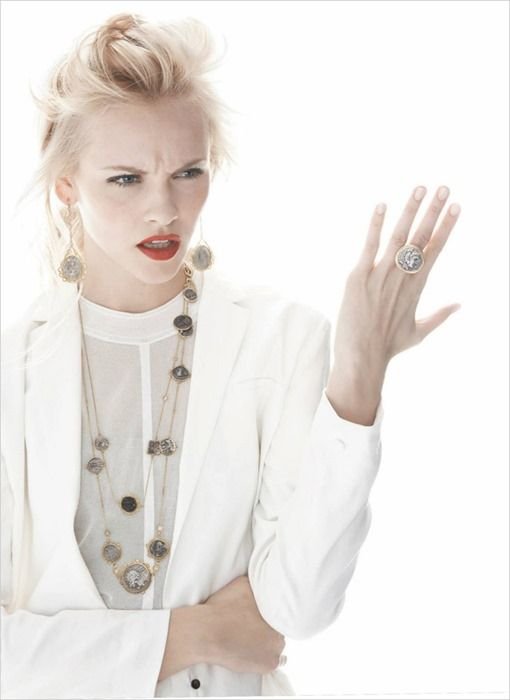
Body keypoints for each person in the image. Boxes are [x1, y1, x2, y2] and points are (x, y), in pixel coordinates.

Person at [0, 12, 462, 700]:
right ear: (66, 184)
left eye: (188, 172)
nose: (164, 209)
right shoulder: (13, 369)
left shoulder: (280, 339)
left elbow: (298, 607)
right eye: (126, 179)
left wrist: (359, 377)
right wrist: (195, 634)